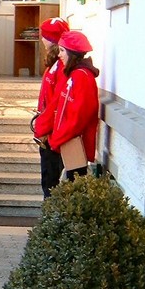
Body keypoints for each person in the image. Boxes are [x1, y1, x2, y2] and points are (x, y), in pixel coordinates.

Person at [49, 30, 101, 181]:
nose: (59, 55)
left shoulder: (82, 77)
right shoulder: (75, 75)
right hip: (67, 143)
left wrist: (57, 138)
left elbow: (79, 117)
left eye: (62, 50)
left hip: (75, 145)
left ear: (72, 53)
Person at [32, 17, 69, 197]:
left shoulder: (61, 67)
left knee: (50, 181)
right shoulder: (55, 64)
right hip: (48, 130)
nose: (42, 39)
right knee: (48, 180)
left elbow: (56, 103)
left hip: (52, 134)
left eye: (44, 36)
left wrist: (44, 129)